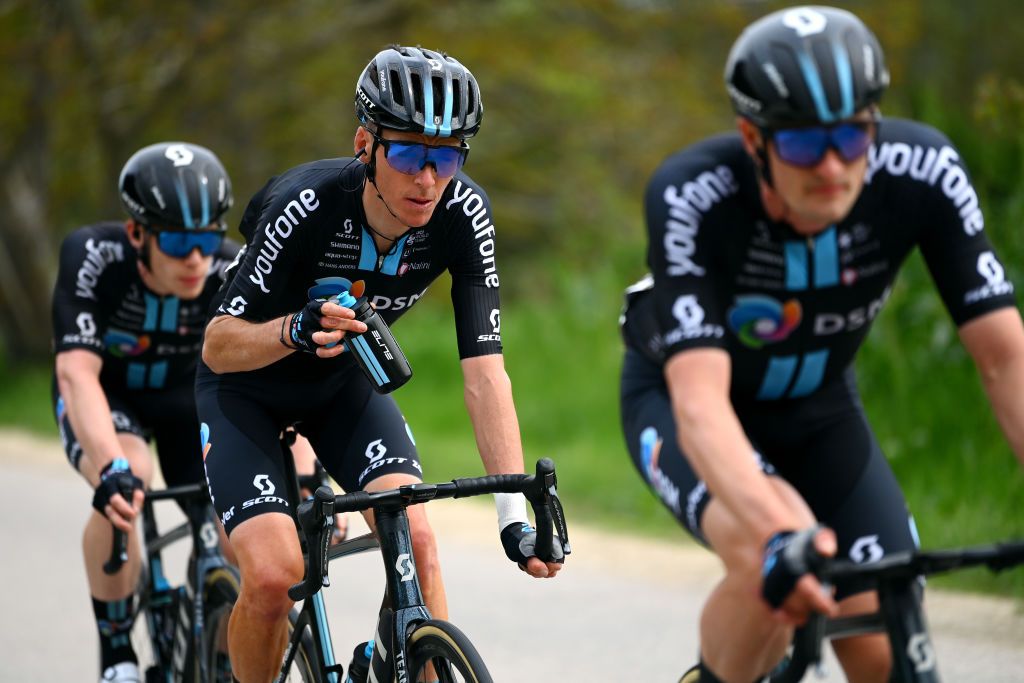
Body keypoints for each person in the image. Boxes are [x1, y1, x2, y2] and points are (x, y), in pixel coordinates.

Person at [618, 6, 1024, 683]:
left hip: (819, 409)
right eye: (805, 145)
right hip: (686, 407)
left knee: (885, 634)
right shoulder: (694, 192)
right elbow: (699, 403)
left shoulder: (923, 170)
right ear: (754, 137)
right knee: (772, 569)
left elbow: (1004, 356)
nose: (833, 164)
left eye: (852, 137)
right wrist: (777, 539)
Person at [196, 45, 563, 682]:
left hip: (340, 387)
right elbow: (218, 344)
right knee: (277, 575)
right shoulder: (304, 204)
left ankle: (412, 663)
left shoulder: (462, 214)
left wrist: (513, 516)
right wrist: (294, 330)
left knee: (418, 541)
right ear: (366, 144)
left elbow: (484, 371)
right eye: (409, 155)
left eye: (446, 157)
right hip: (245, 393)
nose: (428, 179)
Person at [51, 142, 239, 683]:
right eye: (178, 242)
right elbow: (77, 374)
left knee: (243, 522)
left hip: (190, 403)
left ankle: (223, 661)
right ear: (137, 233)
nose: (196, 260)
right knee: (129, 478)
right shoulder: (93, 255)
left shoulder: (231, 267)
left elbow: (267, 378)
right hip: (111, 400)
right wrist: (108, 466)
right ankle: (118, 656)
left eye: (206, 240)